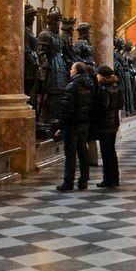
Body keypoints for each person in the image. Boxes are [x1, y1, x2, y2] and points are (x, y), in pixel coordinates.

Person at [56, 62, 94, 192]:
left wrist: (61, 126)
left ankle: (68, 182)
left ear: (77, 71)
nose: (70, 70)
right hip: (84, 124)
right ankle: (83, 181)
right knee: (83, 153)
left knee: (71, 154)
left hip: (72, 125)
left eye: (72, 68)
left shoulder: (72, 85)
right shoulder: (89, 85)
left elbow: (67, 108)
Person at [93, 65, 123, 188]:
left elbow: (103, 106)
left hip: (104, 124)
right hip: (114, 123)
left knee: (106, 152)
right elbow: (121, 104)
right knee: (112, 151)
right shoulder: (117, 87)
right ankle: (114, 178)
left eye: (98, 74)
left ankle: (108, 179)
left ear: (102, 75)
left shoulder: (103, 88)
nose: (96, 76)